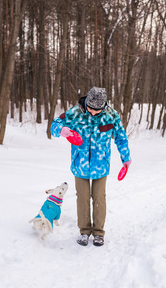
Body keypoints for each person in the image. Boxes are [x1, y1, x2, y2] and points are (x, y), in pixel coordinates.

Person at [51, 87, 131, 246]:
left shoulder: (111, 116)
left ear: (104, 106)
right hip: (80, 165)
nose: (94, 113)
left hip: (101, 166)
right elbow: (55, 125)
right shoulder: (74, 113)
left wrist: (126, 158)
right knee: (83, 198)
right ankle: (85, 231)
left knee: (99, 197)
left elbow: (121, 138)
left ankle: (99, 232)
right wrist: (63, 130)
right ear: (87, 102)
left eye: (98, 110)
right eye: (91, 109)